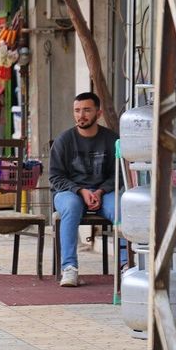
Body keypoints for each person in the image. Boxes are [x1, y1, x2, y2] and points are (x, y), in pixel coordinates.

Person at [49, 91, 124, 287]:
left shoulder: (111, 140)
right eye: (77, 110)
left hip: (103, 193)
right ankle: (69, 269)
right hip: (69, 194)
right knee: (72, 206)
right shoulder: (64, 140)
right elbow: (55, 177)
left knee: (121, 207)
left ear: (98, 114)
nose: (81, 115)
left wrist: (100, 191)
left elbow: (118, 174)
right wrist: (80, 191)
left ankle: (127, 264)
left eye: (86, 110)